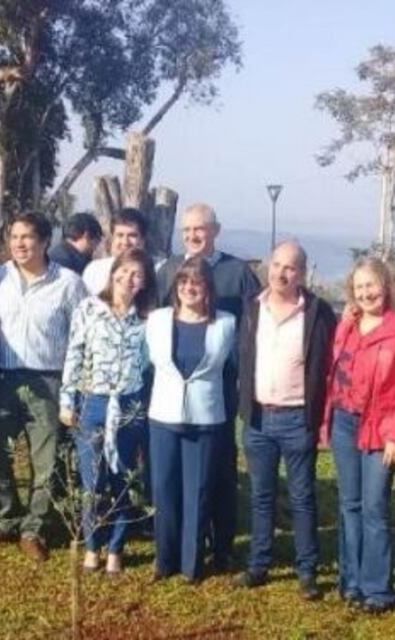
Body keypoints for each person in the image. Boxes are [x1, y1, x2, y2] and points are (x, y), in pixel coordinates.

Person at [0, 211, 87, 561]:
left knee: (47, 460)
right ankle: (8, 516)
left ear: (44, 242)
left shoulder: (68, 283)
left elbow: (81, 336)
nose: (19, 244)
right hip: (2, 377)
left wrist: (75, 386)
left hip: (48, 380)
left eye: (27, 237)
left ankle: (33, 527)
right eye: (14, 237)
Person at [156, 203, 261, 571]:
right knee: (175, 473)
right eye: (186, 231)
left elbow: (254, 331)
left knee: (219, 469)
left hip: (222, 389)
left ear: (215, 229)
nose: (192, 236)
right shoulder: (170, 270)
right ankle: (182, 543)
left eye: (199, 229)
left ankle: (222, 543)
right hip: (175, 392)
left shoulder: (238, 273)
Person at [319, 257, 395, 612]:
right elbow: (335, 374)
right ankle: (350, 581)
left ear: (385, 286)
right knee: (349, 505)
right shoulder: (348, 325)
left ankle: (377, 589)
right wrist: (327, 423)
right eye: (360, 287)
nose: (366, 293)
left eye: (372, 285)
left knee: (375, 507)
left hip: (381, 429)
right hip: (345, 423)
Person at [235, 241, 337, 601]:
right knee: (261, 496)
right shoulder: (251, 309)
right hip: (260, 419)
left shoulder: (319, 312)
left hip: (298, 419)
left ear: (302, 273)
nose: (280, 272)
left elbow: (330, 364)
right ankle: (259, 564)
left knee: (302, 497)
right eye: (276, 264)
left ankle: (307, 571)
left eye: (290, 267)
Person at [59, 248, 158, 575]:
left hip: (129, 406)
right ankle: (92, 545)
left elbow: (148, 365)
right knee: (92, 481)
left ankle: (116, 547)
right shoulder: (88, 308)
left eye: (137, 274)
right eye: (124, 270)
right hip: (93, 403)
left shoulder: (147, 320)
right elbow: (74, 354)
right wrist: (67, 400)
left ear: (144, 283)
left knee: (123, 479)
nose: (129, 279)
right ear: (113, 271)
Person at [145, 257, 236, 583]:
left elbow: (233, 369)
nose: (189, 288)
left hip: (206, 418)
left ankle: (191, 565)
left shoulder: (226, 323)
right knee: (165, 489)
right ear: (175, 286)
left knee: (198, 492)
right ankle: (164, 560)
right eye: (183, 282)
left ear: (208, 288)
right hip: (163, 416)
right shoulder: (156, 320)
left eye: (197, 282)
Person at [82, 208, 151, 295]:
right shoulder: (94, 270)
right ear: (112, 238)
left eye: (132, 235)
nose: (125, 242)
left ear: (143, 240)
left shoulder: (156, 271)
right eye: (120, 235)